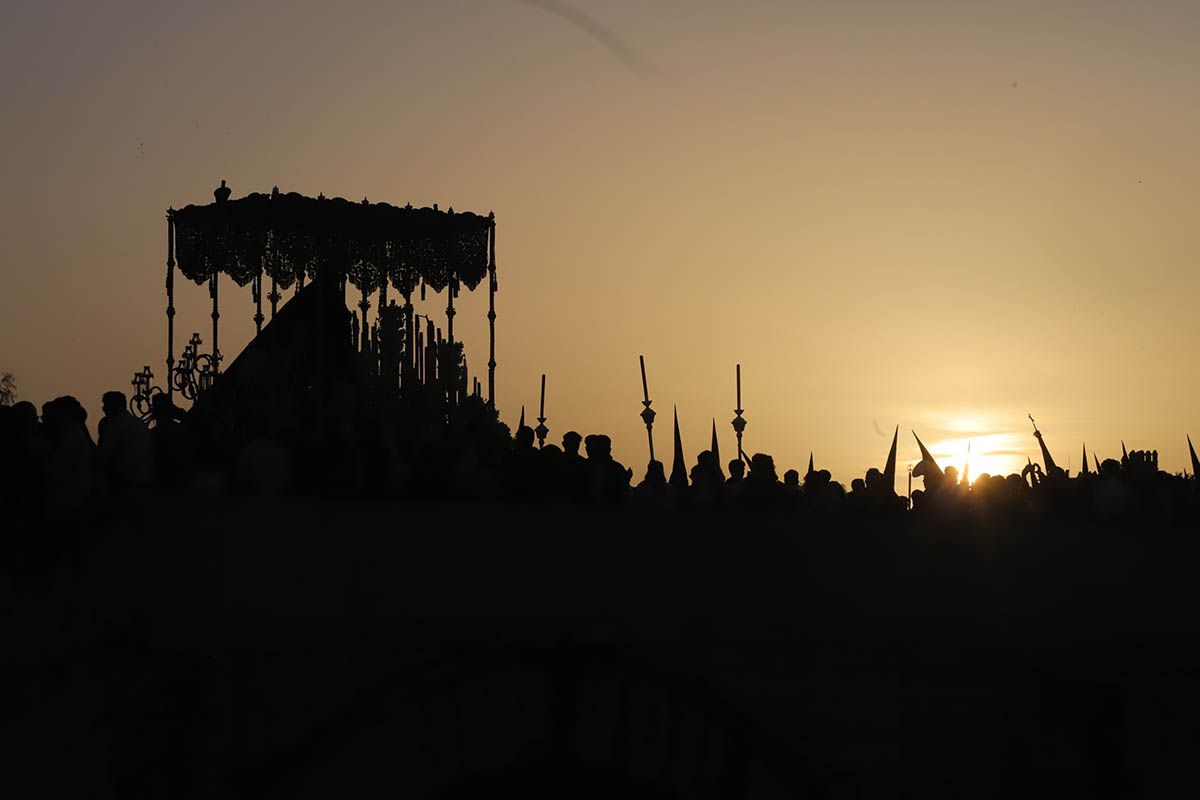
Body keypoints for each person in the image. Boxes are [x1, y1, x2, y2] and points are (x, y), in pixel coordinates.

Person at [97, 390, 154, 499]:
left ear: (111, 407)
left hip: (123, 482)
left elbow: (104, 454)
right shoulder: (139, 423)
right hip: (144, 481)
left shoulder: (114, 424)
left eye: (105, 407)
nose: (104, 411)